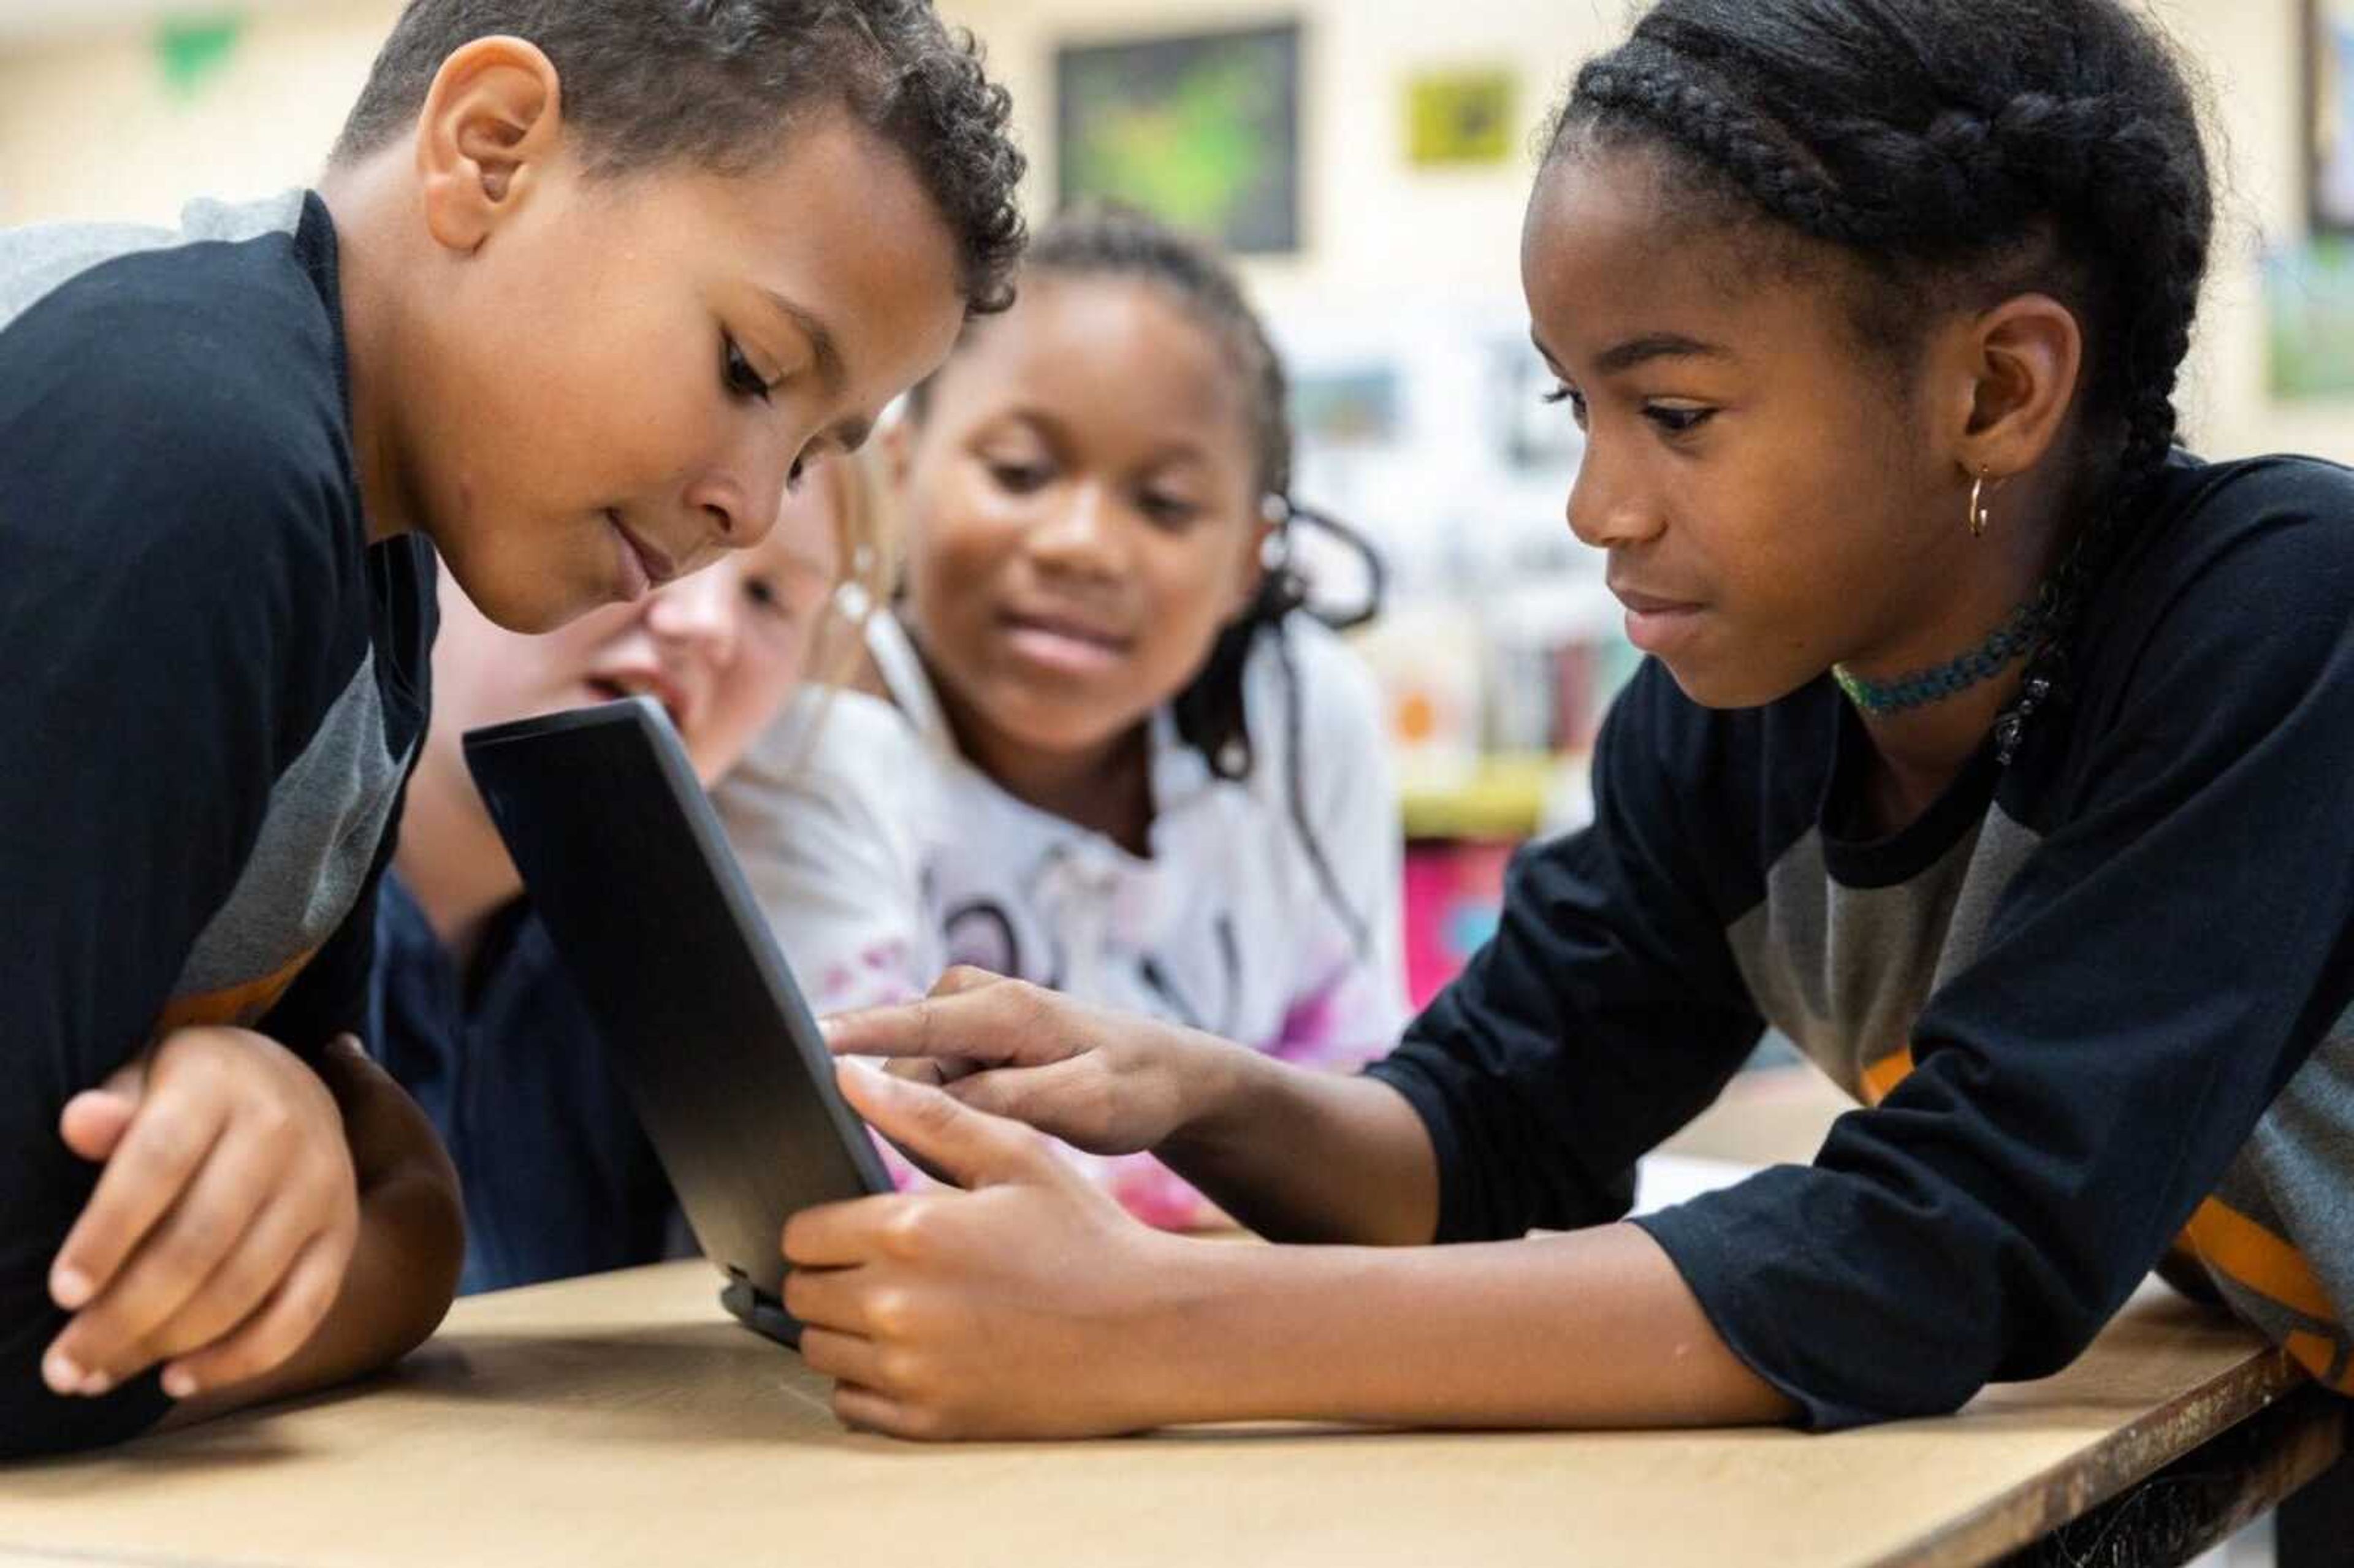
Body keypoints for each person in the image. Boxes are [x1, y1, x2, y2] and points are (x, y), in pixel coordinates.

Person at [780, 0, 2354, 1442]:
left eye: (1674, 416)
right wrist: (1194, 1092)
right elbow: (1484, 1142)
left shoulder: (2278, 614)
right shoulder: (1741, 715)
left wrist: (1155, 1328)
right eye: (1574, 410)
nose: (1600, 505)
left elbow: (1947, 1246)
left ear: (1997, 390)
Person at [0, 0, 1022, 1457]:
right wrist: (403, 1260)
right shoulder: (194, 455)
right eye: (747, 368)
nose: (751, 506)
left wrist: (301, 1136)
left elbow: (329, 1110)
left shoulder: (383, 567)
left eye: (807, 454)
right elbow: (39, 1319)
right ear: (488, 151)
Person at [715, 207, 1408, 1230]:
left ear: (1249, 558)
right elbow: (846, 1158)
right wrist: (1241, 1185)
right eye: (1021, 473)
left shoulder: (1300, 713)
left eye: (1166, 505)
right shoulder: (811, 727)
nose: (1082, 543)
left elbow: (1368, 1101)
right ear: (901, 471)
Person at [374, 455, 884, 1293]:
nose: (707, 624)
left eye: (768, 597)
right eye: (651, 534)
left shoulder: (675, 991)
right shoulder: (240, 909)